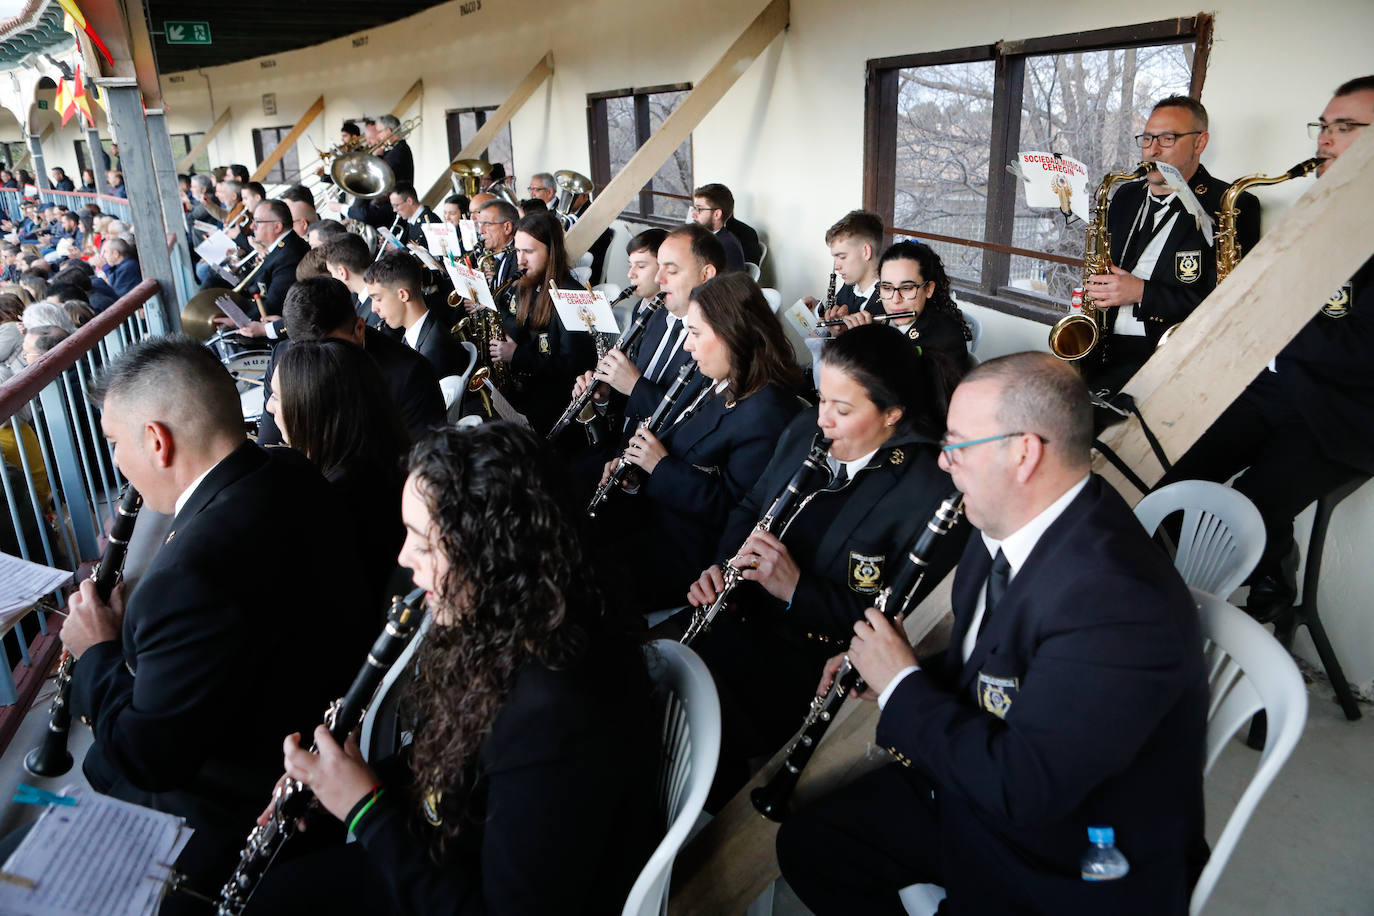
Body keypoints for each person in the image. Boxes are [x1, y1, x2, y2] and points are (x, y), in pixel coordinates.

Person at [777, 352, 1208, 914]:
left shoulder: (1118, 604)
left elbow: (1024, 791)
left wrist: (903, 686)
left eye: (957, 446)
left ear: (1024, 453)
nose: (943, 462)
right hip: (977, 789)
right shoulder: (1002, 525)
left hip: (1056, 860)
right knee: (811, 844)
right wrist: (894, 669)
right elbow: (1000, 666)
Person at [247, 423, 659, 914]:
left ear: (492, 555)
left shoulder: (553, 710)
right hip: (446, 853)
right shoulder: (513, 622)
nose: (404, 557)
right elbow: (458, 769)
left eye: (424, 544)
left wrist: (365, 810)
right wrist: (345, 779)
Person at [56, 336, 371, 907]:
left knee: (101, 765)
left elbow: (149, 759)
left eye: (115, 443)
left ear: (157, 442)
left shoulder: (187, 576)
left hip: (238, 808)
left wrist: (97, 649)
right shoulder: (293, 470)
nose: (117, 462)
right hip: (299, 731)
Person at [685, 323, 966, 807]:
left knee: (701, 738)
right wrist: (722, 566)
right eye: (822, 399)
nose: (822, 419)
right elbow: (750, 507)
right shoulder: (804, 431)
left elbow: (901, 625)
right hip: (740, 619)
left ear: (892, 415)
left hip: (811, 665)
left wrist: (797, 588)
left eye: (843, 409)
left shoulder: (933, 492)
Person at [1159, 75, 1374, 615]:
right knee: (1165, 477)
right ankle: (1243, 572)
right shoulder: (1321, 208)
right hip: (1280, 386)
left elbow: (1362, 353)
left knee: (1244, 511)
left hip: (1347, 410)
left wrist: (1264, 324)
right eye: (1323, 125)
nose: (1324, 138)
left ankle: (1241, 601)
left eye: (1346, 127)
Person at [599, 271, 803, 612]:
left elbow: (734, 510)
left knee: (588, 583)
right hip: (652, 516)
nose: (687, 345)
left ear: (732, 334)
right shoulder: (712, 376)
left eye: (695, 333)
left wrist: (659, 466)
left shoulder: (768, 412)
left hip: (689, 554)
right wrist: (635, 476)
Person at [1082, 95, 1260, 395]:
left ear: (1200, 143)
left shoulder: (1231, 205)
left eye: (1167, 139)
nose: (1152, 150)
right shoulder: (1125, 195)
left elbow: (1229, 303)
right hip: (1102, 345)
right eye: (1147, 138)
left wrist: (1142, 292)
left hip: (1171, 358)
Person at [267, 338, 409, 609]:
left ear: (311, 409)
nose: (269, 407)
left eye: (276, 397)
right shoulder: (388, 462)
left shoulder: (333, 503)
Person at [263, 274, 444, 446]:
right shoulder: (281, 357)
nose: (318, 363)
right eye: (303, 354)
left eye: (331, 349)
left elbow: (421, 459)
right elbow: (270, 442)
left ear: (359, 329)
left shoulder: (409, 376)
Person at [490, 211, 597, 432]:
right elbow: (523, 329)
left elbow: (572, 369)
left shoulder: (573, 298)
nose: (520, 260)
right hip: (528, 389)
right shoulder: (527, 283)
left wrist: (516, 355)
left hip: (556, 406)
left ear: (551, 252)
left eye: (529, 251)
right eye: (517, 250)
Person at [840, 240, 971, 406]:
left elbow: (909, 396)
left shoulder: (945, 336)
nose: (895, 300)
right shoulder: (878, 315)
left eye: (907, 288)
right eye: (887, 288)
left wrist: (866, 348)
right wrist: (841, 338)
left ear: (928, 289)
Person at [365, 250, 469, 379]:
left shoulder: (434, 351)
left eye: (378, 299)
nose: (373, 309)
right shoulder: (420, 336)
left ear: (403, 295)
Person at [691, 183, 747, 271]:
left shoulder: (727, 246)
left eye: (699, 209)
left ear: (717, 214)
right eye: (694, 208)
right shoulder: (705, 238)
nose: (693, 214)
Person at [89, 238, 142, 312]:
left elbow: (115, 291)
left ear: (115, 254)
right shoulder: (123, 265)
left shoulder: (128, 267)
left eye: (105, 252)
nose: (103, 256)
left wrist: (105, 267)